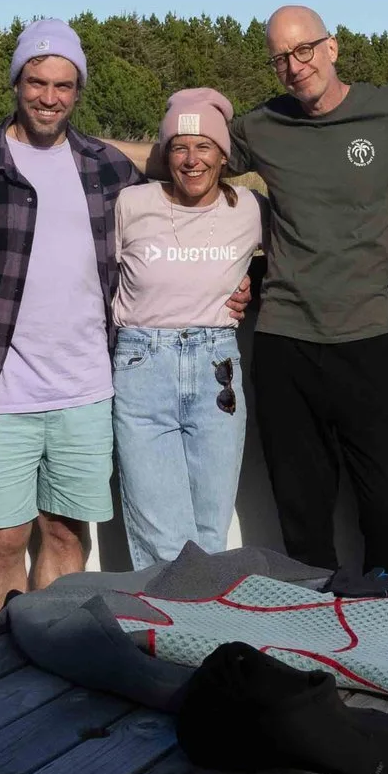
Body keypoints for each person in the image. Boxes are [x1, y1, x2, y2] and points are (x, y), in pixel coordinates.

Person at [0, 20, 140, 623]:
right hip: (1, 389)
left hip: (86, 389)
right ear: (16, 83)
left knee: (66, 535)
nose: (49, 97)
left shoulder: (110, 169)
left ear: (78, 91)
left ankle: (52, 667)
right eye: (36, 81)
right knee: (2, 541)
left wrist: (234, 281)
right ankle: (0, 673)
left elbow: (166, 238)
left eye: (63, 85)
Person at [227, 4, 388, 574]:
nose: (294, 66)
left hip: (372, 333)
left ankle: (385, 637)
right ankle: (317, 647)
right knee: (302, 515)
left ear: (332, 47)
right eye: (280, 59)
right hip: (286, 338)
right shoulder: (263, 125)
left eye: (304, 50)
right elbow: (191, 159)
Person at [111, 89, 264, 569]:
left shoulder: (252, 210)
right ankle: (165, 641)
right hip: (142, 365)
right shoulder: (131, 204)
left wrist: (251, 284)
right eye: (179, 146)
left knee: (209, 527)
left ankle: (204, 640)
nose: (192, 159)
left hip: (216, 367)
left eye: (204, 147)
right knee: (159, 532)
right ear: (165, 155)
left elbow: (300, 256)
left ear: (223, 155)